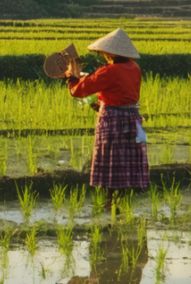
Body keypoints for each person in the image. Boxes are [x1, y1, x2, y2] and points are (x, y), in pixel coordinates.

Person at [63, 28, 149, 198]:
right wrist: (100, 103)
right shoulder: (134, 67)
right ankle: (122, 199)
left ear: (109, 53)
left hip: (113, 120)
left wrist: (71, 78)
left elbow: (79, 91)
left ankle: (109, 201)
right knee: (126, 160)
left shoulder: (108, 72)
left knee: (111, 160)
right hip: (132, 118)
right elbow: (121, 93)